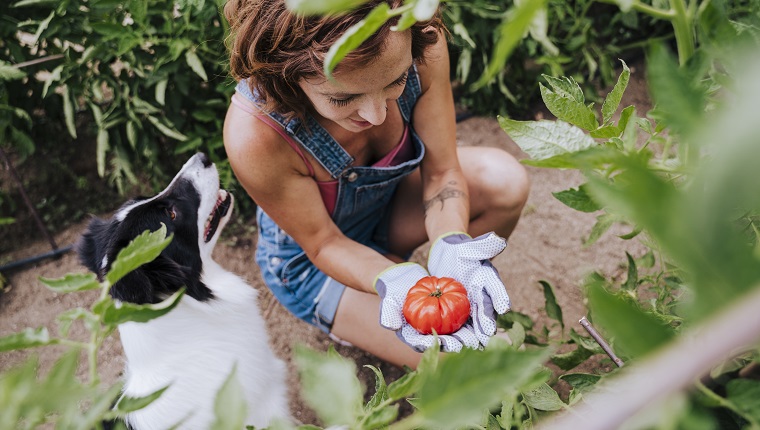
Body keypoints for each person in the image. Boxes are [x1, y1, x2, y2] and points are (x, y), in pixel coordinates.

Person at [222, 0, 529, 369]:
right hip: (316, 262)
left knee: (504, 181)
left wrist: (451, 242)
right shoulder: (254, 135)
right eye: (343, 97)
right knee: (474, 372)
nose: (377, 114)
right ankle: (360, 304)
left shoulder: (424, 43)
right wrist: (390, 278)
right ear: (287, 78)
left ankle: (416, 274)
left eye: (396, 80)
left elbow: (442, 173)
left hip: (388, 207)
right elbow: (323, 243)